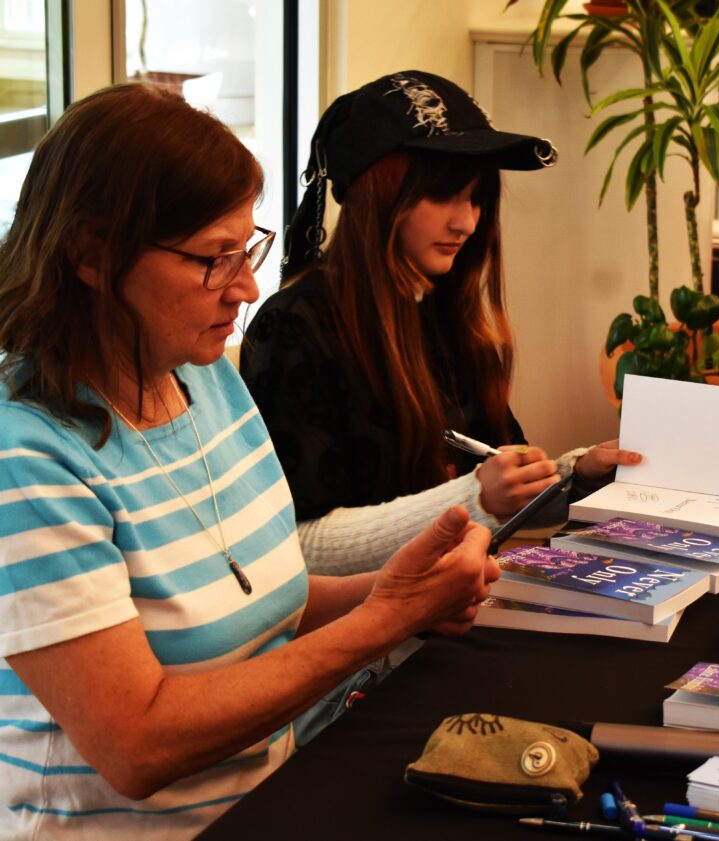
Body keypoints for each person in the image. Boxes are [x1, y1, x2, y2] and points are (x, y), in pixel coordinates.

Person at [0, 83, 497, 840]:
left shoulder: (202, 376)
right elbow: (137, 744)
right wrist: (385, 620)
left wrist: (394, 591)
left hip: (269, 797)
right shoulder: (27, 453)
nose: (247, 287)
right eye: (213, 259)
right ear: (92, 256)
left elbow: (259, 599)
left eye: (247, 249)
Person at [242, 70, 641, 575]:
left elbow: (494, 472)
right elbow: (298, 548)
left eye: (476, 198)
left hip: (458, 596)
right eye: (443, 195)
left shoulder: (443, 313)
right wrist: (474, 500)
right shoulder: (294, 329)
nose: (467, 222)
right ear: (376, 194)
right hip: (367, 621)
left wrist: (573, 476)